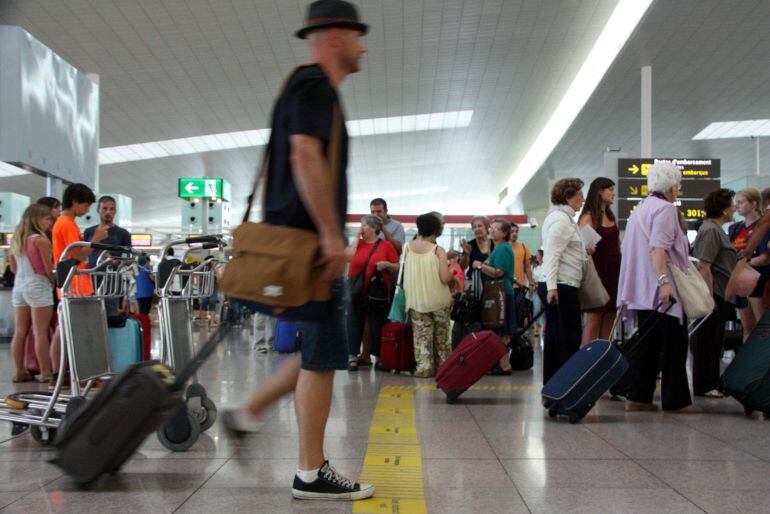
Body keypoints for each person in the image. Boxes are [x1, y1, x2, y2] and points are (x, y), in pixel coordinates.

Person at [220, 1, 374, 501]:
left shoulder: (306, 86)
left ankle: (246, 415)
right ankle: (310, 472)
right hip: (308, 249)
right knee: (323, 352)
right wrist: (331, 234)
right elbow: (303, 154)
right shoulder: (313, 85)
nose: (363, 46)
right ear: (334, 36)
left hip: (300, 245)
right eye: (357, 35)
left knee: (317, 349)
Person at [616, 162, 698, 413]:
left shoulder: (639, 209)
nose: (679, 191)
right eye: (679, 186)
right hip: (663, 291)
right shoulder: (664, 210)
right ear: (672, 187)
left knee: (648, 344)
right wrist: (663, 282)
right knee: (674, 344)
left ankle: (639, 396)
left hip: (641, 290)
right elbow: (658, 248)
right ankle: (676, 401)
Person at [50, 183, 107, 387]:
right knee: (76, 332)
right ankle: (77, 374)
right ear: (74, 202)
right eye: (85, 206)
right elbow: (77, 255)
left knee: (64, 330)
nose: (87, 211)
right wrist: (96, 239)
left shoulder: (65, 223)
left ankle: (60, 374)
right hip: (74, 284)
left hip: (73, 284)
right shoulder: (65, 224)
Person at [691, 189, 737, 398]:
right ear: (724, 208)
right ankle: (705, 384)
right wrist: (708, 297)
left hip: (720, 292)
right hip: (714, 292)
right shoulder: (711, 230)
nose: (734, 207)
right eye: (732, 204)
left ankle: (711, 382)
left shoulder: (717, 230)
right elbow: (704, 265)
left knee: (714, 338)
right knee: (707, 339)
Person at [539, 178, 586, 384]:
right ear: (568, 197)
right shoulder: (560, 220)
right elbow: (551, 255)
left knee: (557, 339)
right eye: (579, 195)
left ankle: (554, 387)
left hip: (560, 284)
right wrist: (551, 288)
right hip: (561, 286)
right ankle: (565, 386)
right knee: (568, 339)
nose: (582, 199)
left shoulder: (561, 218)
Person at [8, 204, 56, 383]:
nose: (49, 223)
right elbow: (45, 269)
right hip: (37, 286)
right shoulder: (40, 240)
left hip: (19, 286)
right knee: (40, 332)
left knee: (20, 332)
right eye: (47, 219)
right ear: (37, 219)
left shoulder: (16, 239)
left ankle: (20, 371)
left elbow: (13, 267)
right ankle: (45, 372)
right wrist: (54, 284)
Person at [345, 215, 398, 371]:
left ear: (374, 228)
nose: (361, 228)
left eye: (364, 226)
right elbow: (348, 257)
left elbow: (396, 266)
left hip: (377, 293)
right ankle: (353, 356)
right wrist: (355, 238)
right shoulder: (358, 244)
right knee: (353, 322)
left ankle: (380, 358)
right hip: (356, 291)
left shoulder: (386, 245)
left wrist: (387, 264)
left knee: (377, 324)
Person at [404, 213, 453, 377]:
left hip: (416, 301)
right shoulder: (438, 250)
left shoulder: (407, 247)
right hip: (439, 300)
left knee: (421, 336)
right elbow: (445, 278)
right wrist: (452, 271)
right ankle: (445, 368)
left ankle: (424, 368)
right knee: (442, 338)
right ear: (436, 230)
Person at [578, 177, 621, 344]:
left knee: (610, 316)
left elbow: (617, 245)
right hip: (597, 271)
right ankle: (587, 362)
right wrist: (593, 275)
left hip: (614, 270)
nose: (613, 193)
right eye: (609, 189)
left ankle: (603, 358)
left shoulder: (611, 216)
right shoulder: (588, 218)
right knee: (594, 318)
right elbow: (583, 249)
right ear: (599, 192)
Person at [472, 218, 516, 374]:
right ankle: (502, 364)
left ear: (504, 233)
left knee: (501, 330)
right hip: (497, 293)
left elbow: (499, 272)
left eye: (496, 229)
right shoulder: (497, 249)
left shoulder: (503, 248)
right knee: (499, 330)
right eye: (491, 228)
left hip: (502, 293)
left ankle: (505, 366)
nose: (491, 230)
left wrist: (480, 265)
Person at [728, 187, 762, 339]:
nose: (737, 206)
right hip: (741, 281)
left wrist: (746, 265)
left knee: (760, 327)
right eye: (736, 203)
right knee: (747, 327)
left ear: (753, 204)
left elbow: (765, 257)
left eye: (741, 202)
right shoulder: (735, 228)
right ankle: (746, 360)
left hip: (758, 280)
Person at [83, 195, 132, 268]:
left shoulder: (123, 234)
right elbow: (83, 256)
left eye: (111, 209)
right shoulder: (88, 232)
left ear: (115, 211)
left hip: (114, 276)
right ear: (98, 210)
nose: (108, 212)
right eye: (104, 208)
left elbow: (130, 259)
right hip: (92, 275)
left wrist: (118, 262)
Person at [510, 223, 535, 331]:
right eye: (512, 231)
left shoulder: (523, 247)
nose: (514, 234)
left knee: (518, 317)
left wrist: (531, 283)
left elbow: (528, 268)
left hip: (519, 288)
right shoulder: (502, 247)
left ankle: (516, 341)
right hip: (505, 287)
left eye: (516, 231)